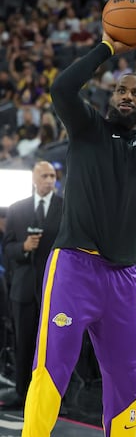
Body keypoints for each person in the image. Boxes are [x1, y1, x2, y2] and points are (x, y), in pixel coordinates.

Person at [21, 5, 136, 437]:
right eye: (120, 90)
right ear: (111, 98)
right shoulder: (87, 128)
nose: (126, 96)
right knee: (52, 366)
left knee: (124, 375)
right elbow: (61, 88)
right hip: (74, 267)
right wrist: (106, 47)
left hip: (122, 277)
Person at [2, 161, 63, 410]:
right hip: (24, 288)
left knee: (55, 346)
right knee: (24, 342)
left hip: (56, 288)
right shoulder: (17, 209)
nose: (50, 179)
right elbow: (7, 248)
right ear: (34, 179)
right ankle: (21, 392)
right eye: (45, 175)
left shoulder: (66, 207)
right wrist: (23, 247)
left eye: (52, 176)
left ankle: (56, 397)